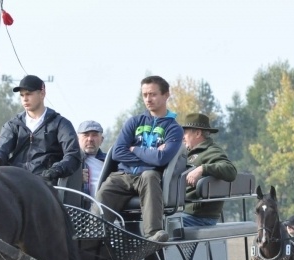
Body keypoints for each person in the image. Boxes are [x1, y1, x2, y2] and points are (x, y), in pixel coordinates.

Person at [95, 76, 184, 242]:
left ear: (166, 95)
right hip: (123, 175)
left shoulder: (174, 128)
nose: (148, 99)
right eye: (145, 95)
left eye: (153, 94)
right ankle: (92, 235)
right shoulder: (134, 122)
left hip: (148, 177)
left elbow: (162, 159)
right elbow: (118, 153)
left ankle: (153, 234)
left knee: (149, 176)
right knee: (107, 187)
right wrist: (151, 155)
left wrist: (135, 148)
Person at [0, 74, 80, 182]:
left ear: (42, 93)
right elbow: (1, 150)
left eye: (29, 94)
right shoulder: (12, 125)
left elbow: (73, 155)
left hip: (46, 186)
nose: (25, 99)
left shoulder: (61, 124)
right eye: (22, 95)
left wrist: (57, 169)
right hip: (14, 183)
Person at [179, 113, 237, 227]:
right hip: (184, 211)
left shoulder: (210, 151)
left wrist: (202, 168)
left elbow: (230, 170)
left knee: (158, 225)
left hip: (197, 216)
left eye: (185, 132)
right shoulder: (188, 152)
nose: (183, 137)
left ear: (197, 133)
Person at [76, 120, 106, 197]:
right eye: (86, 135)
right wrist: (75, 179)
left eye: (95, 135)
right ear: (77, 139)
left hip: (106, 206)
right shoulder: (70, 162)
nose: (90, 139)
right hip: (78, 207)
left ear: (101, 140)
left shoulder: (110, 162)